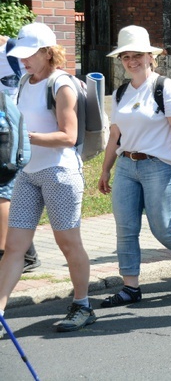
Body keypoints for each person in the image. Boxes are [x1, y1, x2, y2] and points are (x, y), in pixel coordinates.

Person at [97, 25, 171, 307]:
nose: (131, 61)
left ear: (150, 56)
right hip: (126, 166)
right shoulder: (121, 92)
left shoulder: (165, 87)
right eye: (125, 57)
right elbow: (115, 135)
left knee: (163, 229)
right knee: (126, 228)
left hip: (159, 167)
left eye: (137, 55)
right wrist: (105, 168)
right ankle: (130, 288)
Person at [0, 23, 94, 335]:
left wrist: (26, 138)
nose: (22, 60)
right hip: (28, 174)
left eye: (29, 54)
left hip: (59, 173)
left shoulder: (62, 84)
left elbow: (69, 136)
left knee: (68, 243)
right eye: (20, 54)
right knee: (14, 246)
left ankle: (82, 304)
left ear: (47, 52)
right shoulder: (26, 81)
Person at [0, 34, 39, 273]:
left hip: (10, 135)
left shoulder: (11, 51)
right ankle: (27, 254)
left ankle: (9, 257)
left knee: (2, 192)